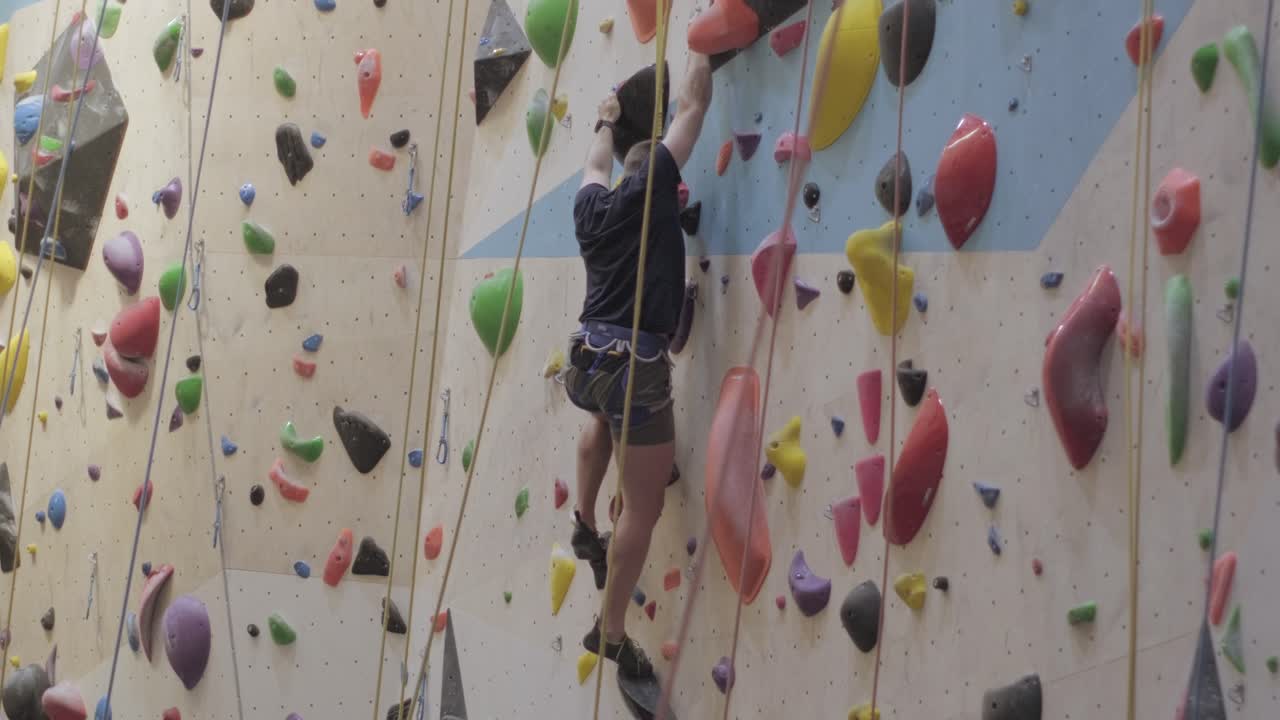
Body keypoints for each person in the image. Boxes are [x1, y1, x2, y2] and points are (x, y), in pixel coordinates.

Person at [562, 52, 712, 680]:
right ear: (659, 172)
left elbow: (596, 163)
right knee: (645, 510)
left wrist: (604, 119)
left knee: (603, 416)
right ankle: (613, 629)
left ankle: (584, 522)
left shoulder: (591, 210)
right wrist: (700, 46)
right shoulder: (656, 185)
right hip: (635, 367)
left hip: (587, 359)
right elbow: (694, 107)